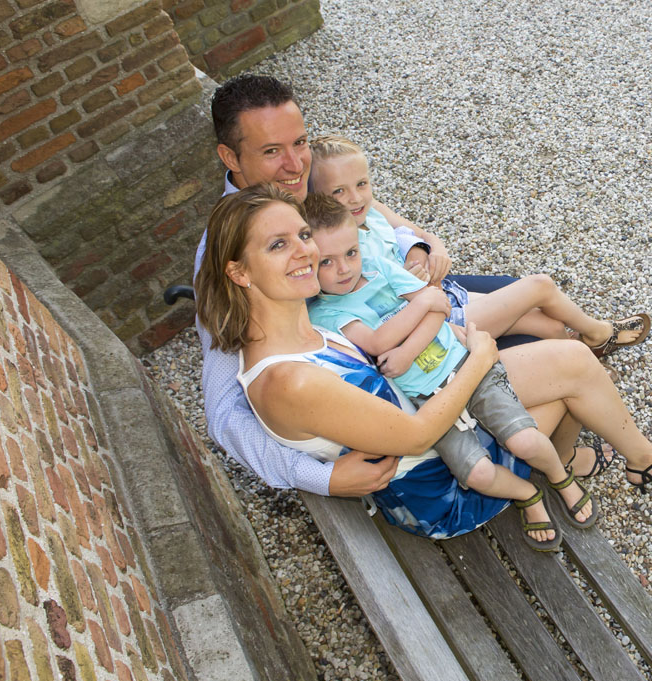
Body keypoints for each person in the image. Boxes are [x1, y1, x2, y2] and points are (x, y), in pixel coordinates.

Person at [195, 185, 652, 538]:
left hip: (436, 409)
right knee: (571, 380)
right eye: (278, 245)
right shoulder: (289, 379)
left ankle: (618, 459)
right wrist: (481, 357)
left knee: (573, 359)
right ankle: (605, 463)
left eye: (303, 235)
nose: (305, 252)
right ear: (239, 273)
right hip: (443, 485)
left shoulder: (299, 326)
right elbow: (416, 435)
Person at [196, 74, 621, 497]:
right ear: (230, 157)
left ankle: (569, 405)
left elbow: (382, 218)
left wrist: (421, 245)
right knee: (542, 339)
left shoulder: (304, 183)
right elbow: (223, 411)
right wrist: (317, 476)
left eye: (300, 142)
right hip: (394, 345)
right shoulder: (228, 254)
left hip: (399, 291)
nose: (295, 164)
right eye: (272, 151)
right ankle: (560, 443)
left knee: (534, 309)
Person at [302, 192, 595, 550]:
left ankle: (561, 478)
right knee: (477, 473)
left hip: (465, 364)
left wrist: (409, 346)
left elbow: (440, 307)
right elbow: (377, 343)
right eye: (327, 262)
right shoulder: (325, 313)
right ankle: (528, 494)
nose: (344, 268)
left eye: (351, 253)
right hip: (429, 402)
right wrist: (423, 304)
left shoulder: (378, 267)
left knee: (525, 439)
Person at [308, 133, 652, 355]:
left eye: (362, 184)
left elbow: (423, 236)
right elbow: (381, 298)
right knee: (541, 286)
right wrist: (417, 279)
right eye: (338, 192)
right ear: (318, 200)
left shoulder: (371, 211)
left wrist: (431, 249)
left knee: (547, 324)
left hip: (443, 294)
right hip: (433, 318)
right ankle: (600, 334)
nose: (355, 197)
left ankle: (583, 357)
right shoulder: (344, 246)